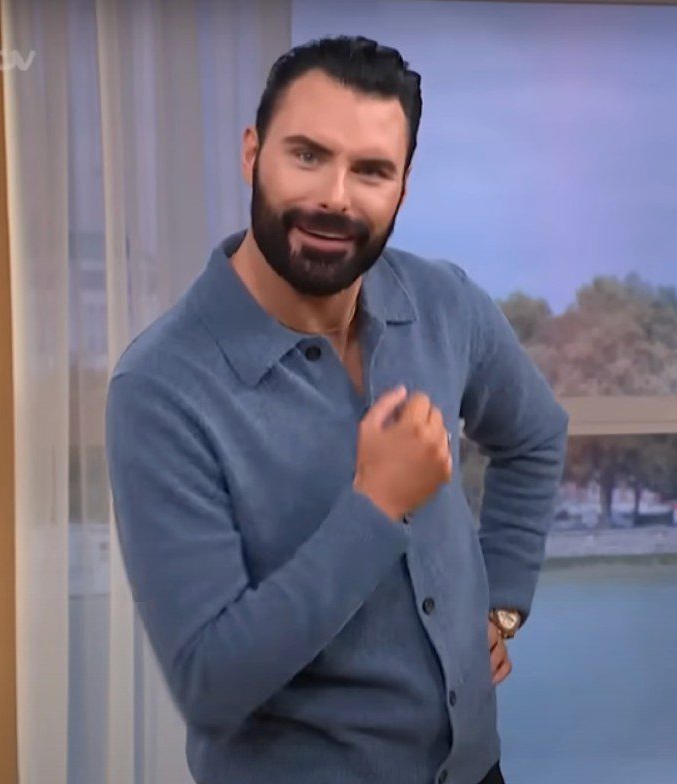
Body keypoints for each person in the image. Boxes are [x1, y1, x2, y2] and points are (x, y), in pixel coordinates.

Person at [105, 36, 568, 784]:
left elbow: (536, 433)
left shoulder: (446, 301)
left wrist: (503, 603)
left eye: (372, 171)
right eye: (308, 155)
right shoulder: (159, 388)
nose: (336, 197)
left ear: (403, 190)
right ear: (252, 154)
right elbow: (210, 685)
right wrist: (378, 504)